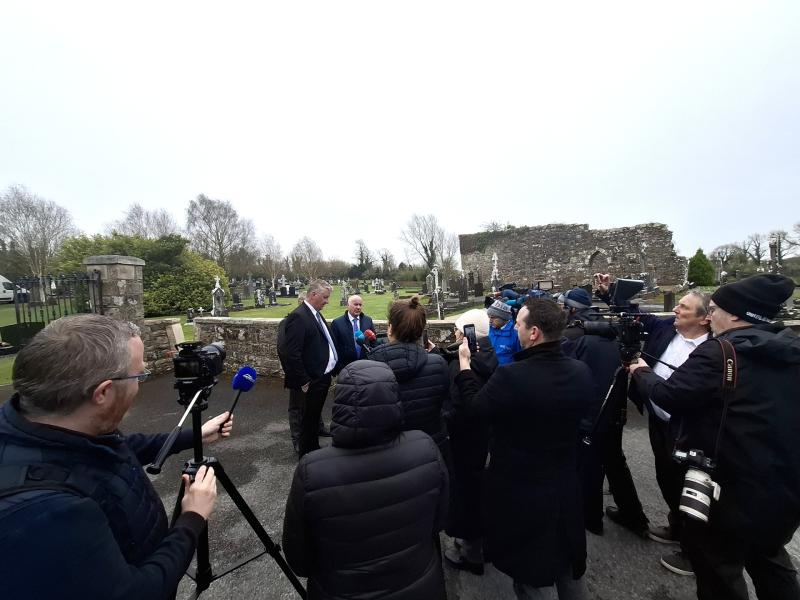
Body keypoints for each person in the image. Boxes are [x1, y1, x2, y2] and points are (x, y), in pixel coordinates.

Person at [0, 314, 233, 600]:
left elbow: (120, 446)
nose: (141, 383)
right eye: (140, 375)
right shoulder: (47, 515)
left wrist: (194, 435)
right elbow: (137, 593)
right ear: (104, 392)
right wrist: (193, 517)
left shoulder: (49, 424)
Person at [629, 273, 800, 600]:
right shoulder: (790, 349)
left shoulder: (718, 352)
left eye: (716, 309)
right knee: (770, 560)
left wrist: (640, 371)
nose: (711, 316)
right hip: (784, 484)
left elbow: (669, 396)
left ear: (736, 315)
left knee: (717, 567)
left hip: (731, 486)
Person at [455, 298, 593, 599]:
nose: (514, 328)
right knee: (568, 562)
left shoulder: (513, 377)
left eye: (519, 324)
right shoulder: (580, 372)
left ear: (534, 333)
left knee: (532, 575)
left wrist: (465, 365)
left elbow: (475, 411)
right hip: (566, 482)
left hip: (523, 488)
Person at [282, 360, 449, 599]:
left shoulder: (312, 471)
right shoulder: (426, 447)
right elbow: (439, 520)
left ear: (340, 402)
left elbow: (299, 558)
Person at [596, 273, 712, 575]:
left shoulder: (715, 348)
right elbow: (637, 316)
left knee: (692, 488)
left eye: (684, 308)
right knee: (666, 477)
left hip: (690, 427)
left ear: (704, 319)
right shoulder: (666, 330)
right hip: (660, 420)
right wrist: (613, 295)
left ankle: (694, 553)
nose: (676, 310)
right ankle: (677, 526)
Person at [559, 287, 637, 538]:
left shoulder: (573, 335)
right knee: (615, 462)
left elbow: (566, 372)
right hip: (614, 408)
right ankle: (634, 516)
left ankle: (591, 519)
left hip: (589, 413)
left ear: (571, 309)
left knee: (589, 467)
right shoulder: (610, 328)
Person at [441, 309, 497, 574]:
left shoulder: (461, 366)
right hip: (485, 438)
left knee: (465, 494)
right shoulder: (489, 356)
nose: (455, 333)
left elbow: (457, 405)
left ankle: (471, 552)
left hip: (463, 439)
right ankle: (482, 544)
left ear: (466, 332)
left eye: (458, 329)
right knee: (481, 489)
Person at [367, 296, 450, 451]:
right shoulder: (439, 364)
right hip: (430, 447)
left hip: (389, 451)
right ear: (420, 331)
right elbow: (444, 407)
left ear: (390, 328)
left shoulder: (371, 367)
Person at [277, 279, 337, 457]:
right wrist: (304, 381)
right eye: (325, 297)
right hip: (311, 380)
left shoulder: (314, 314)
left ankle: (313, 449)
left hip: (321, 377)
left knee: (312, 419)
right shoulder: (299, 316)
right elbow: (290, 353)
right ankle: (307, 454)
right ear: (313, 295)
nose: (327, 301)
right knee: (306, 420)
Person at [330, 294, 375, 374]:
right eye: (355, 304)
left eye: (360, 305)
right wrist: (338, 368)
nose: (358, 307)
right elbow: (333, 347)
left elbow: (373, 342)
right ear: (347, 305)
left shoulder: (368, 320)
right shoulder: (337, 323)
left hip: (365, 366)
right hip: (346, 368)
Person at [487, 299, 521, 365]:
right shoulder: (488, 329)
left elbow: (520, 357)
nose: (490, 321)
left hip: (507, 373)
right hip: (490, 371)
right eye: (489, 317)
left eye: (493, 317)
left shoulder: (516, 334)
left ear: (504, 318)